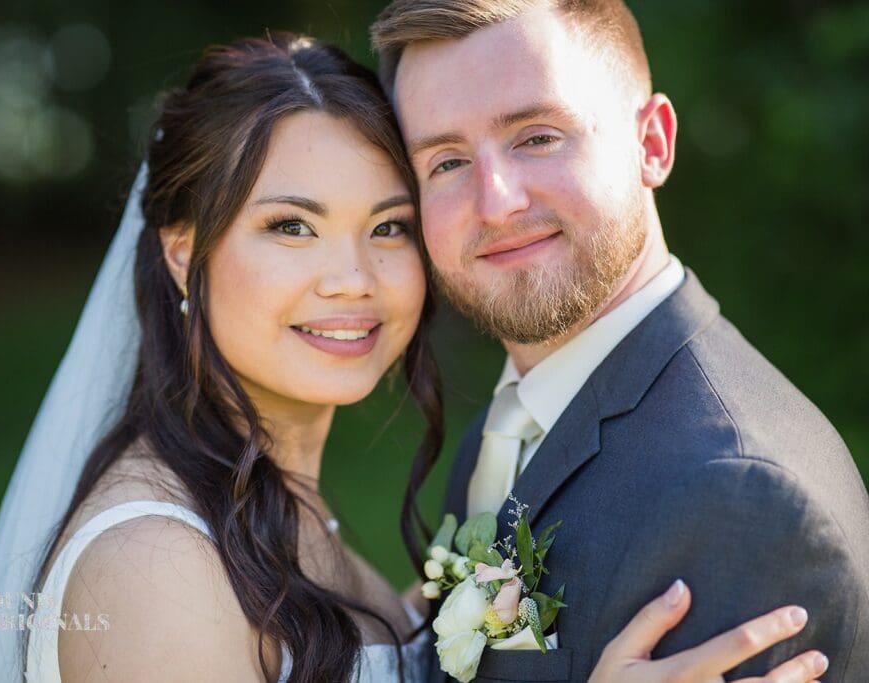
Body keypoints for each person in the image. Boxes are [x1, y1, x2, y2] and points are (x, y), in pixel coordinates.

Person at [0, 32, 827, 683]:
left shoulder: (289, 515)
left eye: (388, 227)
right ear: (184, 252)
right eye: (290, 226)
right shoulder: (156, 569)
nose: (351, 280)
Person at [372, 0, 869, 681]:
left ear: (652, 143)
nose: (496, 201)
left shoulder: (740, 498)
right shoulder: (505, 429)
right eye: (448, 161)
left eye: (537, 137)